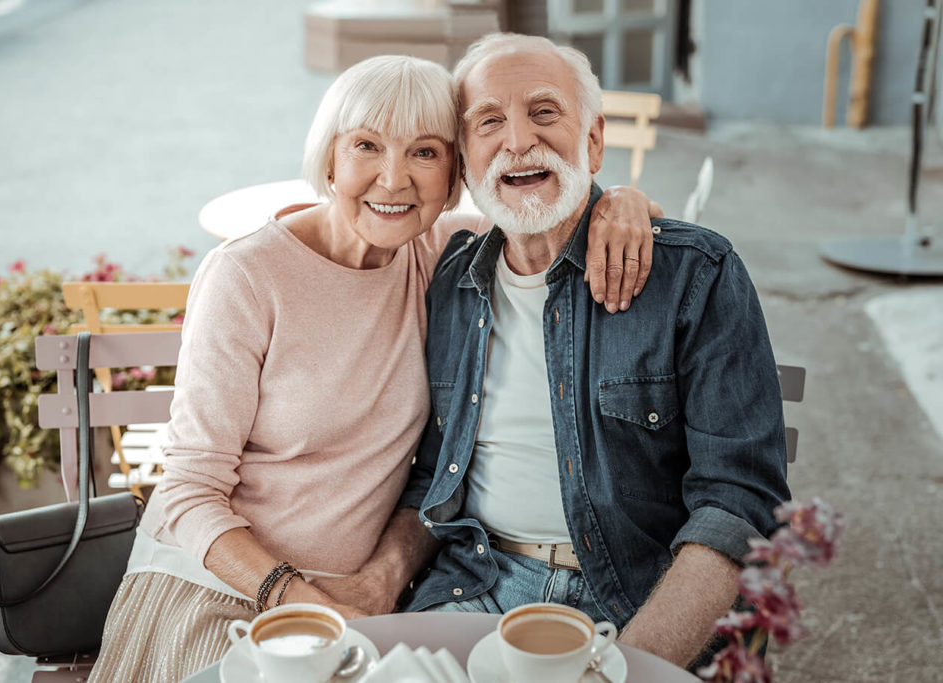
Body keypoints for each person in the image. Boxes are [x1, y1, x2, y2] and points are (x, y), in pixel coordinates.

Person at [88, 54, 661, 682]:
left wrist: (623, 203)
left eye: (424, 152)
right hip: (221, 590)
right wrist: (296, 600)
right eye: (367, 145)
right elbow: (186, 490)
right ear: (329, 158)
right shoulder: (247, 277)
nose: (394, 181)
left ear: (454, 176)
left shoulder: (440, 253)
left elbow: (554, 205)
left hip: (366, 601)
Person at [385, 33, 792, 670]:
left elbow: (738, 502)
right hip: (479, 582)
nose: (518, 140)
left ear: (595, 141)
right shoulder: (452, 280)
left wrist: (634, 662)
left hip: (641, 594)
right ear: (464, 162)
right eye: (489, 121)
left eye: (544, 113)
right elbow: (434, 468)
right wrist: (372, 586)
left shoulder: (694, 273)